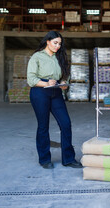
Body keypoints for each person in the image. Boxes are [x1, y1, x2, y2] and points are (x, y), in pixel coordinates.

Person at [27, 31, 82, 169]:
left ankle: (68, 159)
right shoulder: (37, 57)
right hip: (40, 92)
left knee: (66, 123)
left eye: (59, 44)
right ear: (47, 41)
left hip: (56, 91)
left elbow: (65, 75)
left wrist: (63, 82)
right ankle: (44, 159)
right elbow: (31, 79)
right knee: (43, 126)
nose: (58, 46)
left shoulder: (60, 57)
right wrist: (46, 83)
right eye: (55, 43)